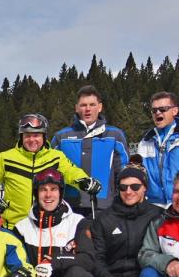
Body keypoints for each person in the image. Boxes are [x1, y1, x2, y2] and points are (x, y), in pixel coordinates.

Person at [0, 114, 97, 227]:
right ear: (21, 137)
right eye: (27, 135)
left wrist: (84, 180)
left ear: (44, 136)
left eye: (36, 135)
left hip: (46, 225)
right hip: (14, 225)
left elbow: (70, 171)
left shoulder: (55, 157)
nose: (31, 140)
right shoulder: (6, 158)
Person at [51, 86, 130, 215]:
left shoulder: (115, 135)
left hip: (104, 206)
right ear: (76, 108)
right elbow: (51, 171)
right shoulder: (61, 137)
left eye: (92, 105)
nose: (88, 109)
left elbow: (123, 172)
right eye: (83, 105)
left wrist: (120, 201)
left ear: (100, 107)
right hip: (69, 207)